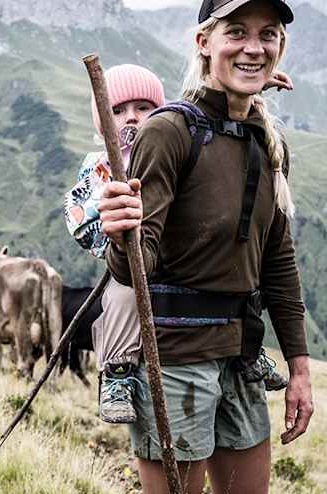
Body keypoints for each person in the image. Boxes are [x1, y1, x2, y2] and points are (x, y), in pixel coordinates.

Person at [96, 0, 314, 494]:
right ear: (204, 42)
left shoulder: (265, 138)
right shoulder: (169, 132)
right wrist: (121, 232)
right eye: (236, 31)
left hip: (239, 354)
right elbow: (136, 264)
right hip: (175, 355)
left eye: (268, 34)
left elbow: (278, 261)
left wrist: (298, 365)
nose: (254, 47)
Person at [62, 64, 292, 426]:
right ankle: (117, 374)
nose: (131, 118)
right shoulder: (102, 166)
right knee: (122, 297)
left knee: (238, 270)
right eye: (117, 111)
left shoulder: (170, 141)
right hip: (130, 255)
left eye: (143, 107)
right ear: (101, 123)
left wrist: (251, 88)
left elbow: (203, 112)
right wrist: (110, 221)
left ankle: (248, 350)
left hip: (177, 254)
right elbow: (78, 212)